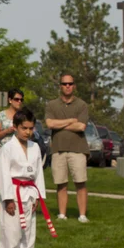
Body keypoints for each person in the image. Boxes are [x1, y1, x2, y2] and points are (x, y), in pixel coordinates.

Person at [0, 109, 57, 248]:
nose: (28, 132)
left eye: (31, 128)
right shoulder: (7, 148)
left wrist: (38, 196)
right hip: (14, 191)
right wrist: (8, 199)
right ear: (15, 127)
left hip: (30, 191)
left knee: (28, 230)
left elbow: (38, 173)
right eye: (24, 128)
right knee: (12, 229)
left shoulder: (35, 148)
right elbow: (3, 175)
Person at [45, 73, 90, 223]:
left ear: (74, 86)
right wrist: (71, 120)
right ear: (60, 86)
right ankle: (62, 215)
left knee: (80, 182)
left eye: (70, 83)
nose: (68, 86)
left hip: (78, 149)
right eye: (64, 84)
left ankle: (82, 215)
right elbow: (50, 124)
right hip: (58, 149)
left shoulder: (82, 105)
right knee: (61, 184)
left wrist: (60, 124)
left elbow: (81, 126)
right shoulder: (52, 105)